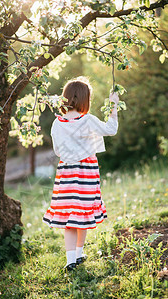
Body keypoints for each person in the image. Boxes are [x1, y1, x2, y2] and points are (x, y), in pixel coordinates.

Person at [43, 77, 119, 271]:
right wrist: (114, 106)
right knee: (82, 213)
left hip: (66, 172)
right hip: (86, 172)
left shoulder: (57, 123)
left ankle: (71, 259)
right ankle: (78, 253)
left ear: (65, 98)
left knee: (70, 215)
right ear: (85, 99)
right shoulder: (87, 120)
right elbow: (111, 129)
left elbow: (58, 151)